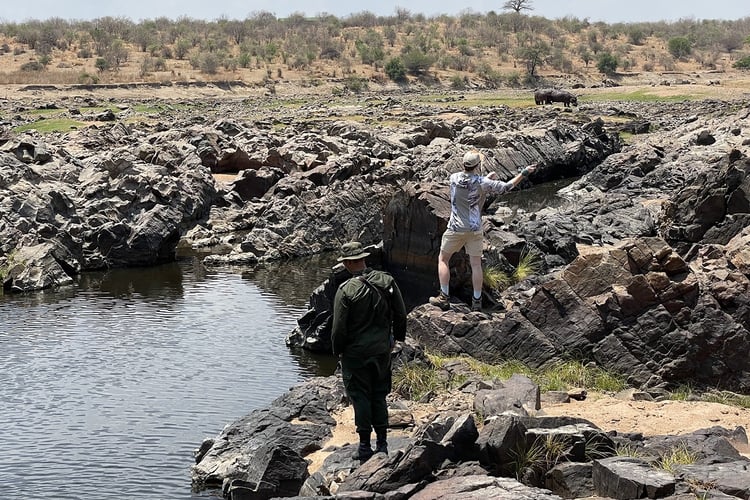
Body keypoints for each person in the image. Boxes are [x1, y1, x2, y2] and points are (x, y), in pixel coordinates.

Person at [429, 150, 537, 312]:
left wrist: (486, 179)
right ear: (477, 166)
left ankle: (444, 297)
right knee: (476, 264)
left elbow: (469, 183)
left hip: (455, 228)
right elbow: (507, 186)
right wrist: (524, 172)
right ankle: (477, 301)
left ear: (463, 164)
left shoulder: (454, 178)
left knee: (443, 259)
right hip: (474, 229)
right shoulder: (482, 182)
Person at [331, 241, 407, 463]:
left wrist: (339, 352)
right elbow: (400, 315)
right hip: (382, 349)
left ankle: (364, 445)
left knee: (360, 395)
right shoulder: (387, 281)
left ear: (346, 263)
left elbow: (338, 329)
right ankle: (382, 443)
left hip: (355, 353)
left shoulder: (345, 290)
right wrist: (396, 340)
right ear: (364, 258)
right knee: (379, 393)